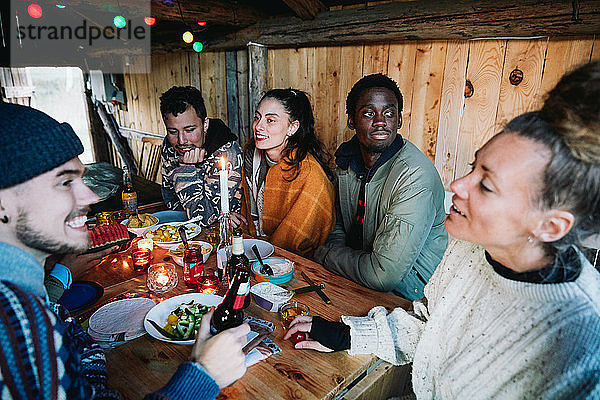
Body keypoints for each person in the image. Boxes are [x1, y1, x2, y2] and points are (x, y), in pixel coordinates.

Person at [285, 62, 600, 398]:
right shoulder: (470, 251)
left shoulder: (579, 348)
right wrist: (346, 335)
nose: (457, 185)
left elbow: (384, 277)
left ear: (550, 226)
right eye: (472, 167)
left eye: (487, 185)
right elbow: (430, 322)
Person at [0, 103, 250, 399]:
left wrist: (62, 275)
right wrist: (203, 375)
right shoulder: (15, 319)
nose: (91, 196)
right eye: (65, 182)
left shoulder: (27, 303)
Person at [313, 74, 448, 300]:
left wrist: (325, 254)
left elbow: (382, 276)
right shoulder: (347, 164)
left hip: (412, 294)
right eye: (368, 113)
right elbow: (337, 227)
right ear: (351, 121)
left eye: (389, 113)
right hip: (357, 277)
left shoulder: (414, 176)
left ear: (399, 120)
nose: (380, 121)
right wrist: (333, 253)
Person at [231, 89, 335, 256]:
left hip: (295, 261)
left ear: (292, 128)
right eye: (257, 117)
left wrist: (256, 247)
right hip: (254, 246)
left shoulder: (310, 174)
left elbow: (293, 242)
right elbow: (248, 215)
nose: (258, 126)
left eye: (270, 120)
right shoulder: (250, 154)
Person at [160, 86, 243, 227]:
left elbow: (206, 219)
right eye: (173, 131)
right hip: (181, 230)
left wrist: (186, 170)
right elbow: (169, 196)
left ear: (205, 124)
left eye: (190, 130)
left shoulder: (228, 154)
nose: (181, 141)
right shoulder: (169, 144)